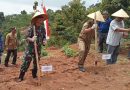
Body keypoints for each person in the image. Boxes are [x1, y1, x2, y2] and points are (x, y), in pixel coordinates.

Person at [18, 11, 47, 81]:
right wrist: (31, 39)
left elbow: (44, 37)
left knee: (36, 62)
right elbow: (26, 37)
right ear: (36, 19)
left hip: (38, 48)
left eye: (42, 18)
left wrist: (44, 41)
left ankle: (34, 75)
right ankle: (21, 76)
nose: (41, 20)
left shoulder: (43, 28)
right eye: (40, 18)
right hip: (30, 48)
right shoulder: (31, 28)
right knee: (26, 61)